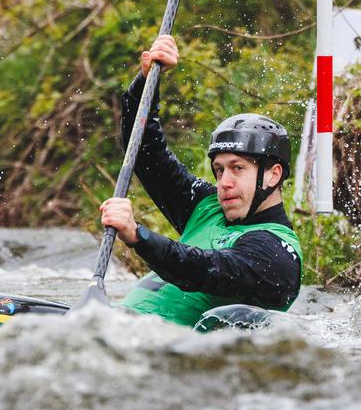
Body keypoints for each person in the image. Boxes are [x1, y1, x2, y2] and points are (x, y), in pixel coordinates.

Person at [100, 34, 303, 327]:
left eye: (238, 169)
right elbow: (144, 152)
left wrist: (138, 236)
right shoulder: (206, 207)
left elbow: (202, 268)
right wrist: (147, 83)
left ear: (274, 174)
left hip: (160, 350)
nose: (225, 182)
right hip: (115, 325)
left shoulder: (277, 254)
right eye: (219, 170)